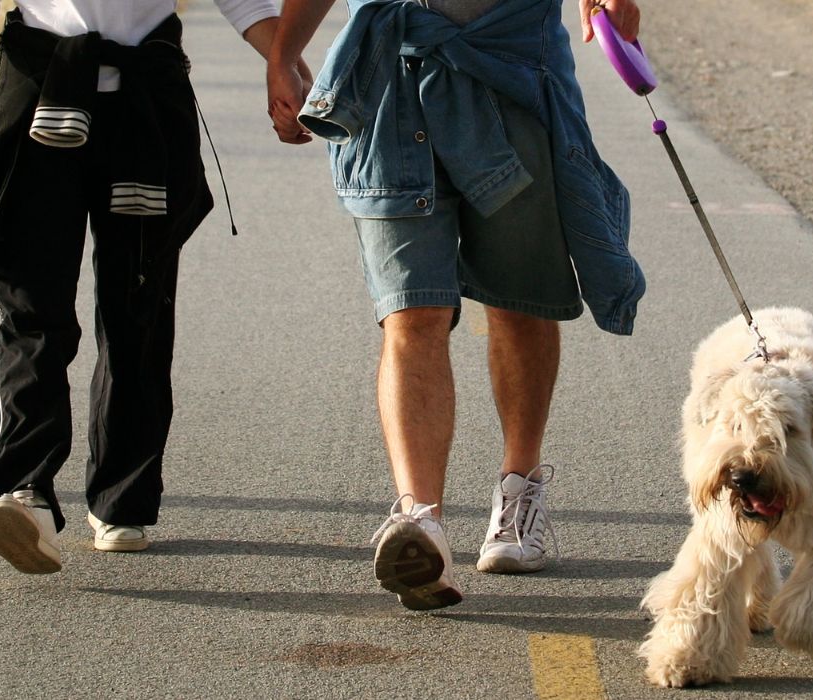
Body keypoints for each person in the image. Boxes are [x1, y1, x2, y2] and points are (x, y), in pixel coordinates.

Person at [264, 0, 645, 608]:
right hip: (389, 83)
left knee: (522, 305)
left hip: (514, 68)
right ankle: (422, 523)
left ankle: (520, 488)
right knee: (411, 312)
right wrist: (282, 56)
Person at [0, 0, 308, 574]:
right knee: (34, 308)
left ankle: (122, 500)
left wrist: (284, 61)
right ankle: (22, 489)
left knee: (139, 305)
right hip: (41, 88)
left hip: (146, 97)